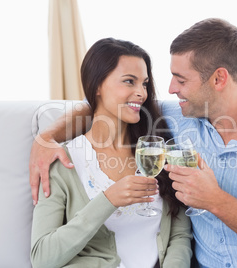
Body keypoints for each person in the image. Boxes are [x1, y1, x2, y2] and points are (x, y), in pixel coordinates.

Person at [30, 18, 237, 267]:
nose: (170, 89)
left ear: (218, 79)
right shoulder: (176, 119)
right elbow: (113, 106)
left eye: (181, 79)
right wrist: (46, 138)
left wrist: (216, 201)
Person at [30, 38, 192, 268]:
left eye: (144, 84)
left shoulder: (156, 152)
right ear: (97, 86)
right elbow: (42, 258)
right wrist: (108, 200)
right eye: (129, 81)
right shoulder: (63, 162)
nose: (141, 93)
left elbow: (179, 235)